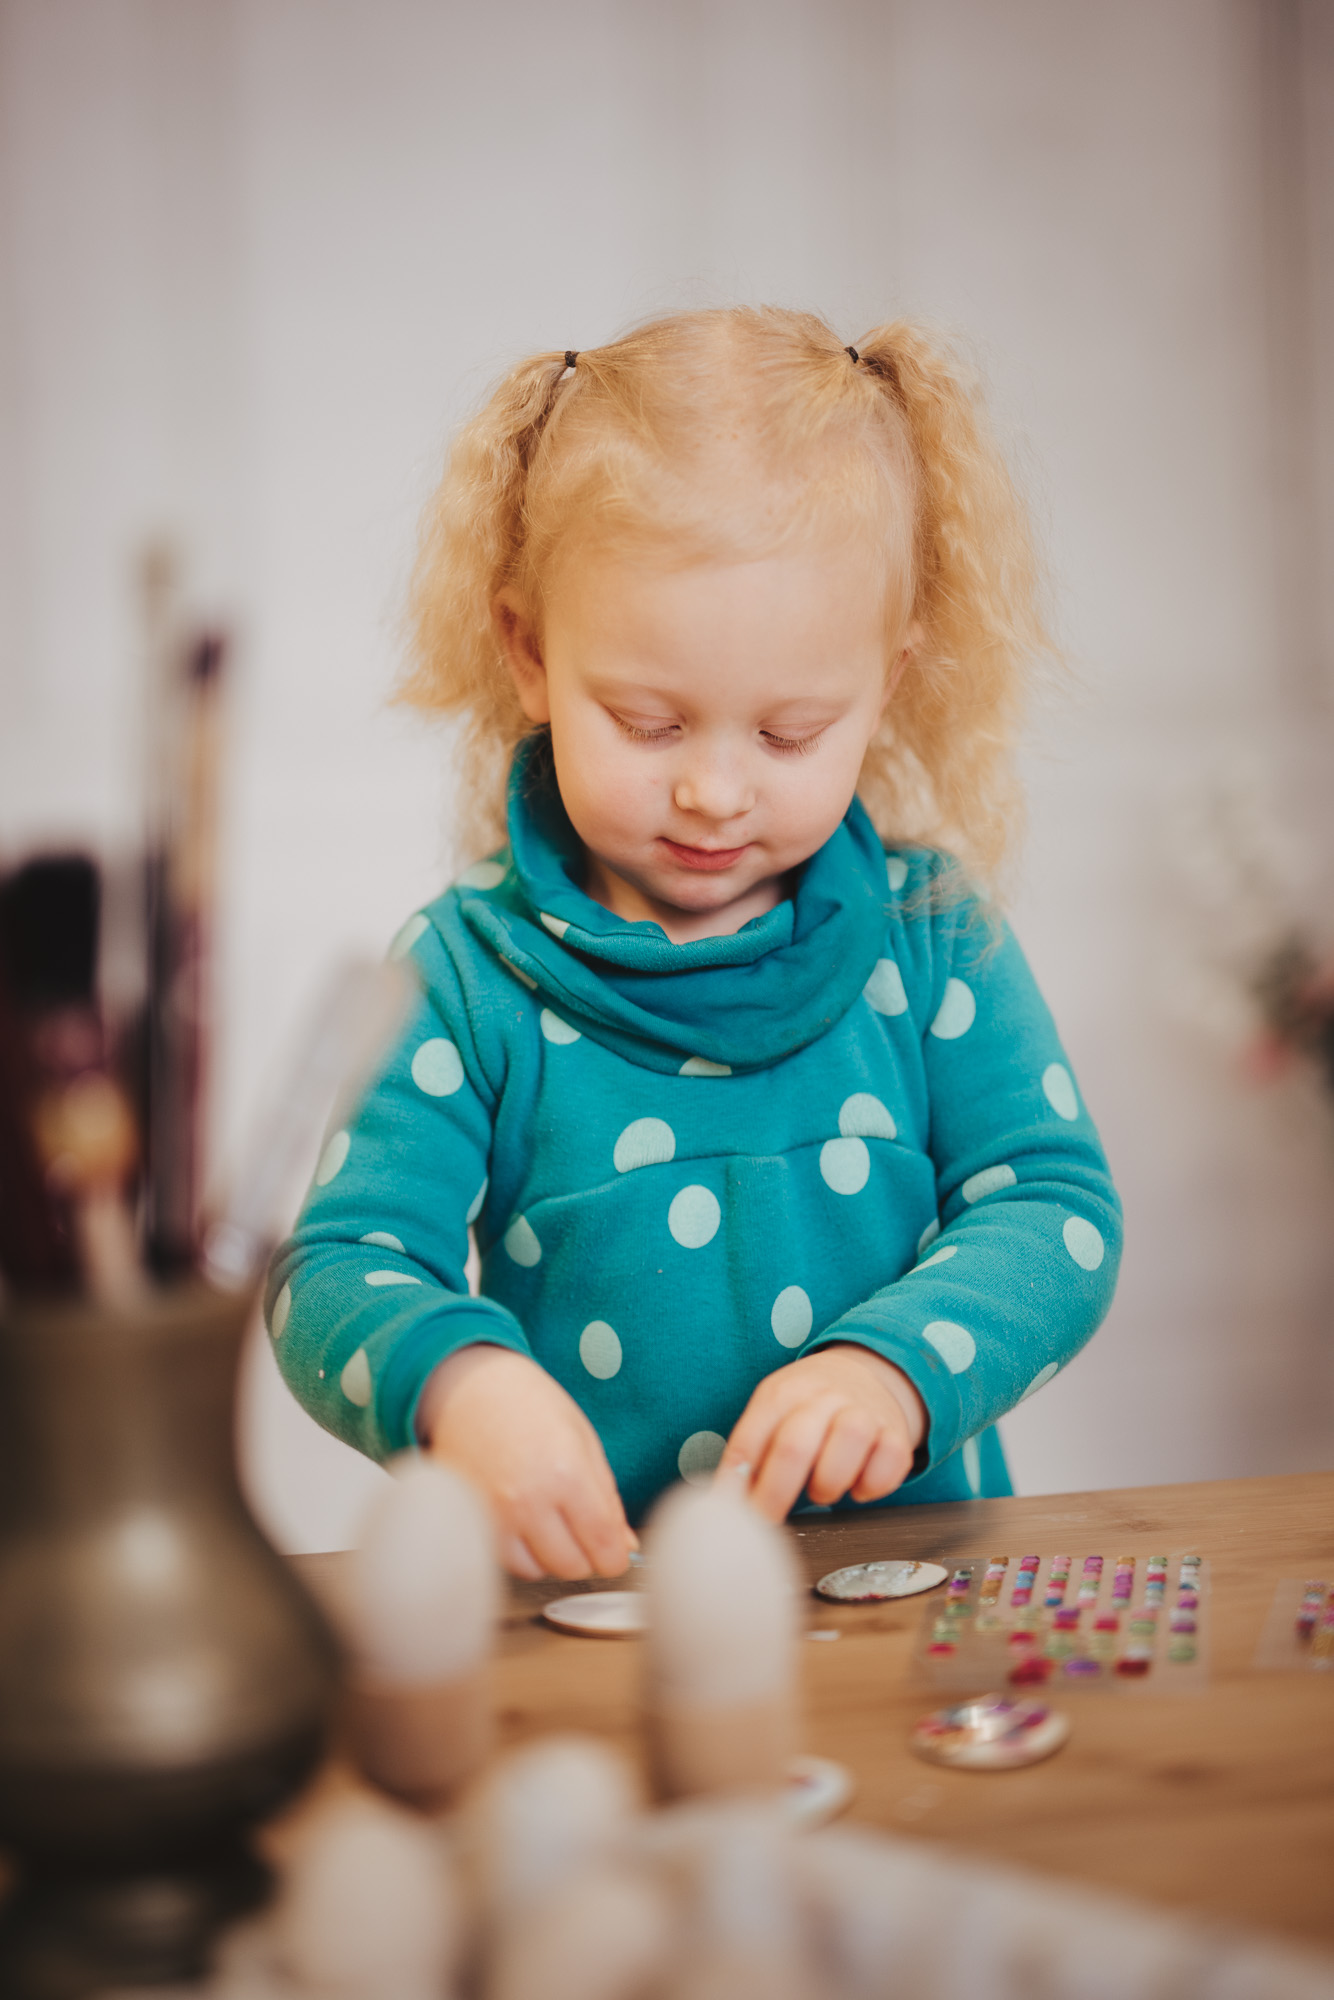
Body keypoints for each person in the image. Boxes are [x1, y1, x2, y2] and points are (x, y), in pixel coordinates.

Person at [268, 308, 1122, 1581]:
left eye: (786, 734)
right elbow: (336, 1267)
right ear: (530, 653)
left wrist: (890, 1367)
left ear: (885, 683)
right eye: (649, 721)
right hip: (601, 1620)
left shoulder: (933, 943)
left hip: (909, 1612)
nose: (715, 791)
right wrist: (463, 1382)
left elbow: (1054, 1211)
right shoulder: (463, 978)